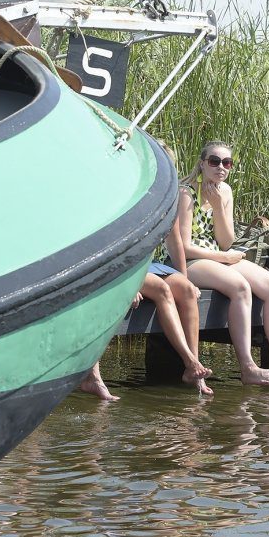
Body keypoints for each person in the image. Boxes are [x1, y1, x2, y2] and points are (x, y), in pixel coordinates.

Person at [81, 144, 214, 400]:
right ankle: (189, 362)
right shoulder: (125, 191)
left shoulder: (166, 195)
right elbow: (109, 243)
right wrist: (127, 285)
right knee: (162, 289)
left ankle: (193, 368)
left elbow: (175, 241)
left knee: (185, 289)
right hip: (120, 266)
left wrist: (186, 278)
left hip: (145, 265)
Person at [179, 140, 269, 384]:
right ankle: (247, 367)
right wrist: (225, 258)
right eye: (214, 161)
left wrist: (220, 208)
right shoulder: (186, 193)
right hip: (189, 260)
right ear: (202, 164)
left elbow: (225, 241)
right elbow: (184, 247)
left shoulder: (225, 191)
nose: (221, 167)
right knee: (240, 286)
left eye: (227, 163)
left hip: (216, 254)